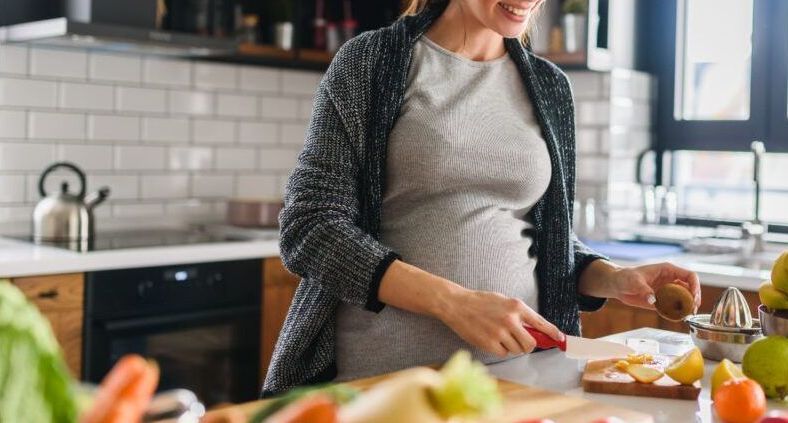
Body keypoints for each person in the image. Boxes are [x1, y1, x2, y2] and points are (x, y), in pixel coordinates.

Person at [262, 0, 701, 396]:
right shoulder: (371, 62)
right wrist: (453, 303)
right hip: (385, 383)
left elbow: (543, 241)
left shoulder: (549, 88)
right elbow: (310, 225)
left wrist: (610, 277)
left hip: (515, 382)